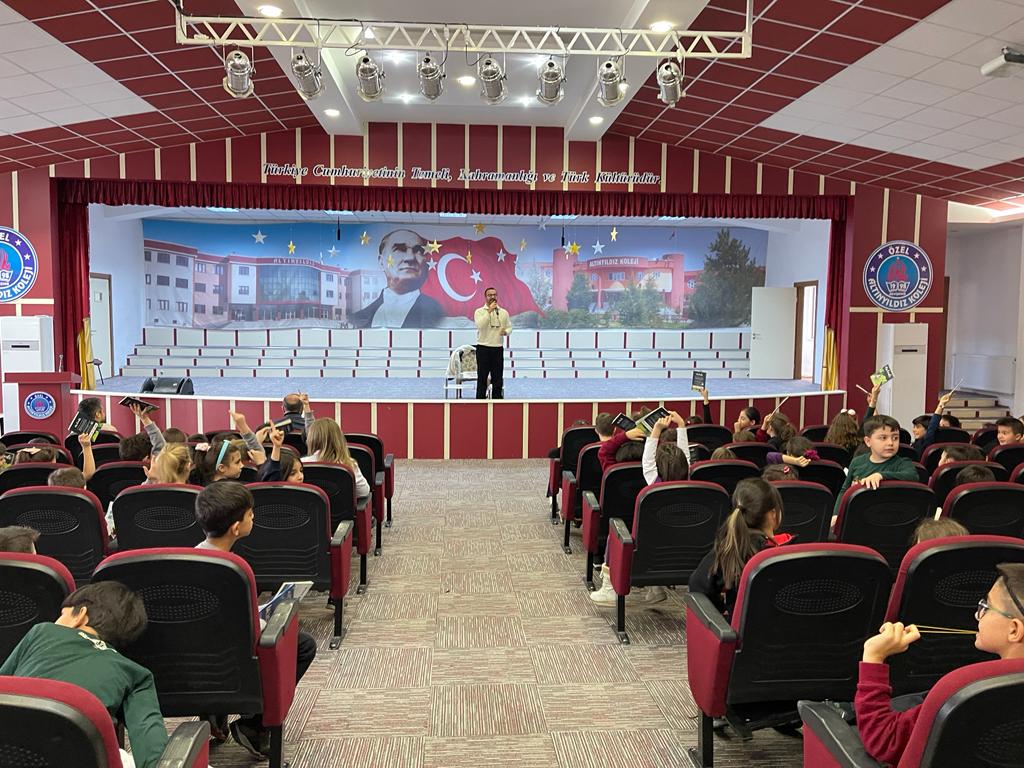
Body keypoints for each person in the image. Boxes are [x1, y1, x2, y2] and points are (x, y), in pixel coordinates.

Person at [192, 482, 317, 757]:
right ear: (236, 527)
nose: (254, 517)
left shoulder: (189, 558)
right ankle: (255, 724)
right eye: (250, 514)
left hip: (194, 659)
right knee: (303, 645)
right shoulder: (235, 572)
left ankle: (213, 710)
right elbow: (251, 631)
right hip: (233, 661)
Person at [854, 564, 1024, 766]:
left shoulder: (970, 691)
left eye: (986, 607)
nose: (977, 615)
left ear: (1014, 630)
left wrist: (873, 657)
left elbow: (885, 740)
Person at [0, 581, 167, 768]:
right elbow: (153, 751)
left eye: (61, 615)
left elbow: (4, 687)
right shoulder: (136, 673)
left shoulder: (42, 631)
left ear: (80, 615)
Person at [687, 478, 792, 617]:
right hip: (788, 626)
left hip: (742, 628)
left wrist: (720, 610)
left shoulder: (732, 547)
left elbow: (698, 585)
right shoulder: (791, 550)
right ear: (773, 514)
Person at [349, 229, 444, 328]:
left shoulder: (438, 315)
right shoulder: (358, 318)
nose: (410, 258)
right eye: (399, 249)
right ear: (381, 262)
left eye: (418, 251)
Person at [834, 415, 920, 520]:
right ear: (868, 441)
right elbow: (844, 490)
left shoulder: (903, 463)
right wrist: (836, 514)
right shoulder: (857, 462)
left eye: (895, 438)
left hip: (890, 517)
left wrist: (881, 475)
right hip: (858, 515)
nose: (890, 443)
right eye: (883, 438)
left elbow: (912, 476)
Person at [302, 418, 370, 498]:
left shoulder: (301, 464)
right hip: (343, 506)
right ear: (339, 439)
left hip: (310, 506)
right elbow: (363, 492)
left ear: (310, 440)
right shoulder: (349, 465)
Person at [474, 286, 512, 399]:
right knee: (482, 377)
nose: (492, 297)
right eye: (490, 295)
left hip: (497, 348)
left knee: (498, 377)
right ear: (485, 297)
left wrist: (506, 332)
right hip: (483, 348)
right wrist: (489, 311)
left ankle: (497, 401)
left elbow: (509, 327)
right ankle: (480, 400)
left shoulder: (503, 312)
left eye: (494, 295)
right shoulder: (479, 312)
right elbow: (480, 326)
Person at [909, 392, 954, 458]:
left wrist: (941, 404)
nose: (914, 430)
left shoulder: (927, 442)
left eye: (918, 427)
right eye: (914, 427)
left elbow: (932, 426)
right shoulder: (914, 444)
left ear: (927, 429)